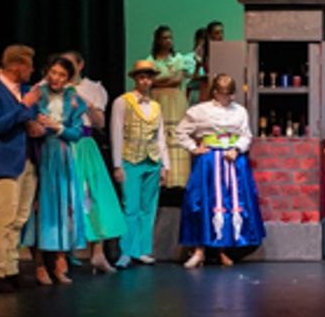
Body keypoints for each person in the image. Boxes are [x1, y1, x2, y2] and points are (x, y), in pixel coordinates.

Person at [177, 74, 265, 267]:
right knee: (202, 202)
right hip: (209, 162)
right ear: (215, 93)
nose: (229, 98)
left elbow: (246, 135)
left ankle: (222, 249)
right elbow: (180, 132)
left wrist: (237, 149)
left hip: (232, 162)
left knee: (228, 203)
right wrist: (194, 148)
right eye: (224, 94)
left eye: (231, 94)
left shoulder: (239, 111)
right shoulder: (200, 111)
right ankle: (200, 250)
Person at [0, 44, 47, 292]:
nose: (31, 71)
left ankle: (11, 267)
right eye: (28, 66)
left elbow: (34, 118)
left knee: (20, 218)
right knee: (5, 217)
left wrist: (38, 126)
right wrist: (23, 106)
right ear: (17, 66)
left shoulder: (28, 91)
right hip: (7, 161)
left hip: (29, 159)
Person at [23, 54, 90, 285]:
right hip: (40, 154)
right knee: (41, 208)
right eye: (53, 73)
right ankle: (40, 263)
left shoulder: (73, 100)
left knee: (64, 207)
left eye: (62, 75)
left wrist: (57, 126)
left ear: (69, 78)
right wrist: (35, 124)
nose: (56, 78)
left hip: (61, 155)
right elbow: (23, 116)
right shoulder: (36, 94)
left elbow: (77, 133)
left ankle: (60, 262)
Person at [65, 50, 125, 273]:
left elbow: (100, 122)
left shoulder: (92, 88)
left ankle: (97, 253)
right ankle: (64, 254)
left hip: (84, 144)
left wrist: (87, 104)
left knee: (92, 197)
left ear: (80, 65)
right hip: (63, 144)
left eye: (70, 64)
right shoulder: (51, 86)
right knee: (67, 197)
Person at [111, 60, 170, 268]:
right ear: (135, 79)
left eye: (149, 77)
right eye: (142, 77)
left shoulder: (155, 106)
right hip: (131, 159)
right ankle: (127, 251)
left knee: (148, 208)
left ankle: (143, 250)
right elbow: (116, 132)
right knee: (130, 207)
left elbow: (160, 137)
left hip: (152, 160)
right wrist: (117, 165)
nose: (146, 81)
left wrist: (165, 165)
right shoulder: (123, 102)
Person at [145, 25, 195, 189]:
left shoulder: (178, 59)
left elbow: (177, 80)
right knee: (160, 136)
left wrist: (161, 78)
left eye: (170, 38)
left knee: (177, 135)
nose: (168, 41)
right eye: (164, 38)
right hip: (158, 99)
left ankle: (179, 179)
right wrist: (165, 78)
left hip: (175, 99)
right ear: (158, 40)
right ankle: (161, 178)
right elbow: (151, 81)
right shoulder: (150, 61)